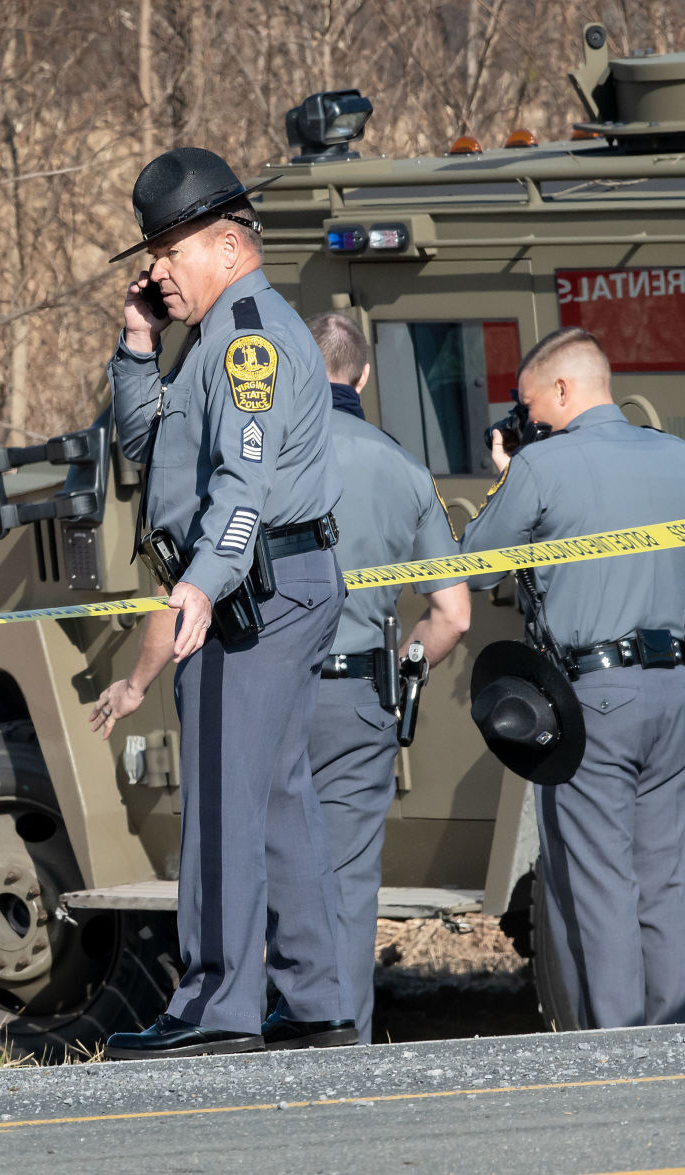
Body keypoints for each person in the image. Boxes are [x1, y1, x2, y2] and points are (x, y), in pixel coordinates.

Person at [99, 146, 353, 1060]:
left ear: (228, 245)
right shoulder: (213, 336)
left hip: (252, 583)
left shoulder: (246, 338)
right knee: (276, 794)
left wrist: (202, 583)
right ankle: (316, 998)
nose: (154, 268)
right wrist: (137, 345)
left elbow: (242, 483)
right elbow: (142, 442)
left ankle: (216, 1003)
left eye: (169, 250)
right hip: (274, 578)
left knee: (221, 795)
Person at [459, 326, 685, 1030]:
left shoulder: (541, 468)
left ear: (564, 388)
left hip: (592, 698)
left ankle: (618, 1055)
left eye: (529, 403)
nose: (527, 419)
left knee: (597, 882)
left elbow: (473, 568)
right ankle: (681, 1046)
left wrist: (508, 474)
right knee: (663, 877)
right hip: (673, 690)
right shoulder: (677, 456)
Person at [284, 311, 471, 1044]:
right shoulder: (403, 466)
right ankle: (339, 1047)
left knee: (268, 870)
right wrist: (397, 667)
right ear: (362, 377)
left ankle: (275, 1040)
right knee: (348, 882)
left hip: (267, 690)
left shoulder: (262, 456)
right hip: (358, 693)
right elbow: (450, 614)